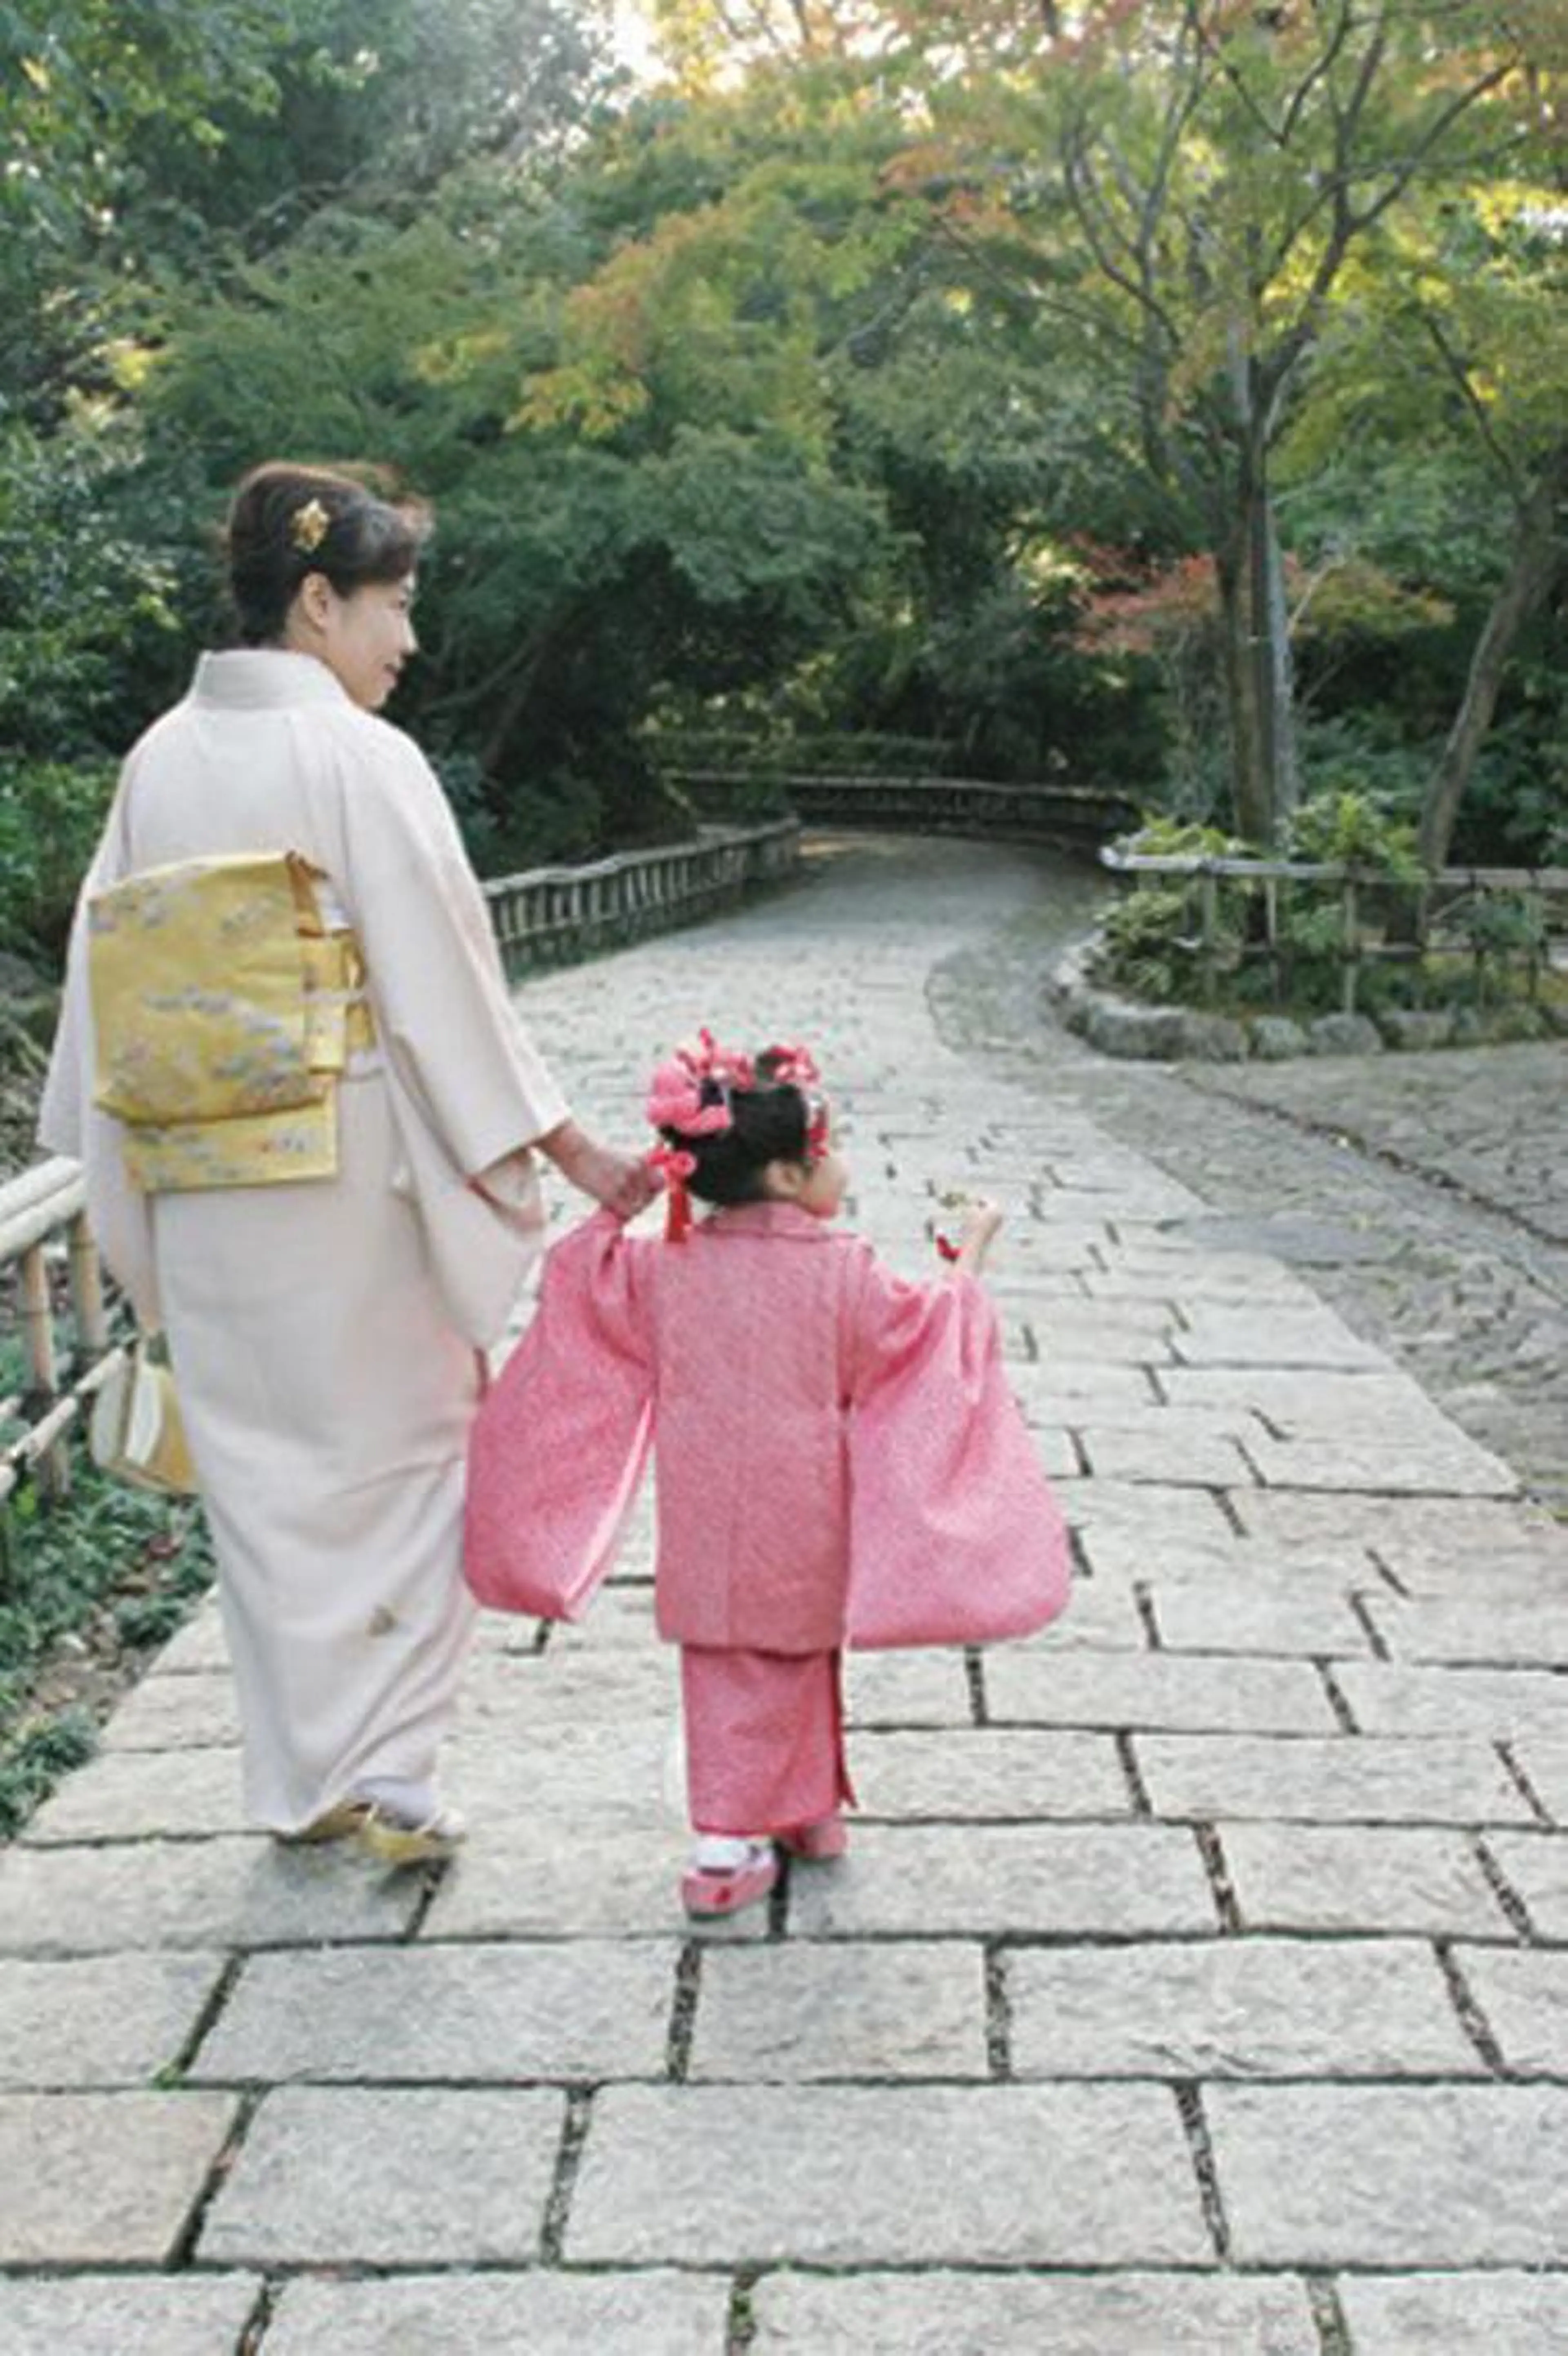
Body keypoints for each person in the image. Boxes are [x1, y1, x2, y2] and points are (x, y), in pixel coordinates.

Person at [39, 459, 653, 1865]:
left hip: (202, 1172)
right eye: (393, 607)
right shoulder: (359, 759)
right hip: (344, 1169)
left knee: (262, 1479)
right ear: (317, 603)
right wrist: (566, 1146)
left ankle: (299, 1776)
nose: (409, 642)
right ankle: (397, 1769)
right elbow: (447, 984)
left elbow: (112, 994)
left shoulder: (158, 758)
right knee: (411, 1453)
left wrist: (128, 1170)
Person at [464, 1031, 1071, 1920]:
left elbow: (579, 1280)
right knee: (792, 1650)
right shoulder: (843, 1272)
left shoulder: (660, 1265)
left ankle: (798, 1808)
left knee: (729, 1657)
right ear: (787, 1178)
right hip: (807, 1507)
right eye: (827, 1152)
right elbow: (930, 1338)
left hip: (707, 1510)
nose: (842, 1166)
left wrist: (613, 1209)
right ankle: (724, 1841)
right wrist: (969, 1257)